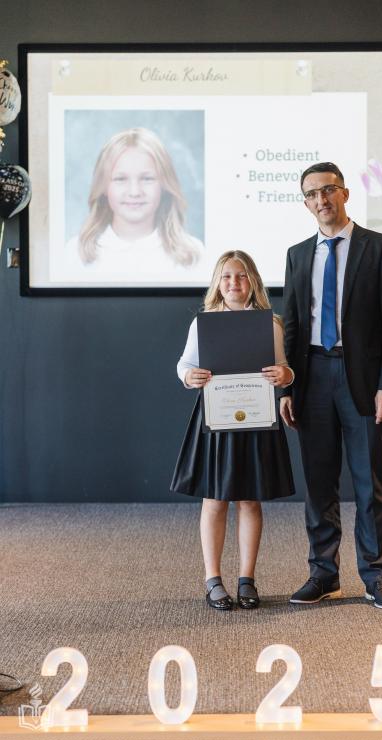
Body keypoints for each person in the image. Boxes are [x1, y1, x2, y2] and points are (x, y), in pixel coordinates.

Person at [280, 162, 382, 610]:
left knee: (369, 483)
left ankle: (376, 575)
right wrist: (286, 390)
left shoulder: (380, 248)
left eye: (328, 190)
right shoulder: (298, 255)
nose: (321, 200)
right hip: (311, 377)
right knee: (319, 484)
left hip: (365, 384)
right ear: (305, 203)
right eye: (312, 194)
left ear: (345, 193)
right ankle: (323, 573)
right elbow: (292, 327)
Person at [171, 250, 296, 610]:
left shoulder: (270, 324)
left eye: (241, 275)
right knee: (214, 500)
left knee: (250, 499)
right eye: (226, 276)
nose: (234, 282)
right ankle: (213, 580)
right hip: (217, 420)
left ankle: (246, 580)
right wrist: (189, 376)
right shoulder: (205, 323)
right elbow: (184, 364)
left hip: (256, 419)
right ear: (217, 282)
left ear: (252, 281)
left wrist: (285, 375)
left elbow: (285, 368)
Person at [63, 127, 204, 281]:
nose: (135, 192)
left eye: (147, 179)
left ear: (164, 186)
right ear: (103, 187)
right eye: (120, 179)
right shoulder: (74, 254)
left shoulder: (193, 255)